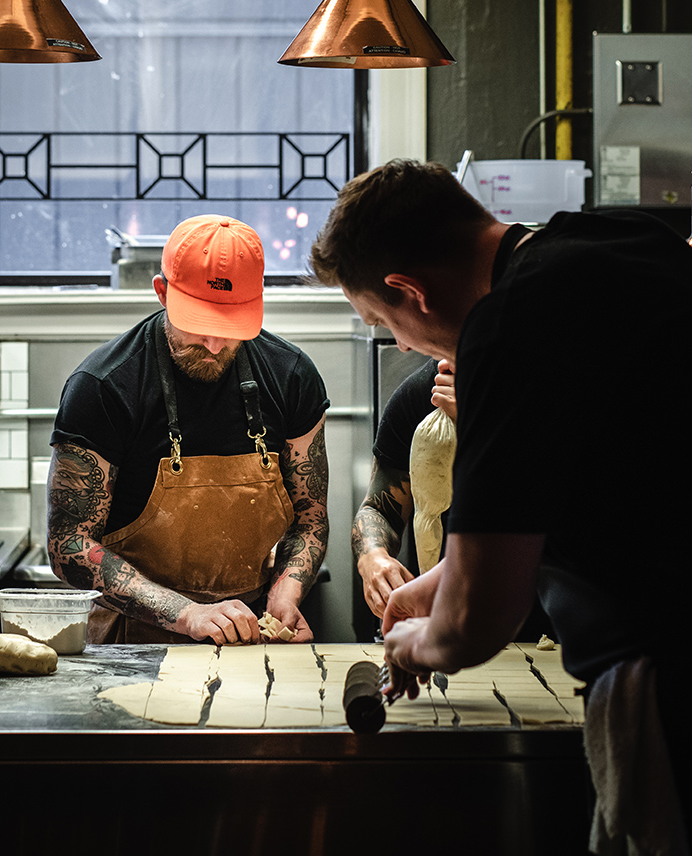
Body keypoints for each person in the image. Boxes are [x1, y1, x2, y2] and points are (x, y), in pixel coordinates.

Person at [311, 158, 691, 850]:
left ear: (409, 291)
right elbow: (602, 492)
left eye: (380, 319)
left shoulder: (505, 330)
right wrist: (441, 582)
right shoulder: (625, 242)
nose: (398, 344)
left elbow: (479, 622)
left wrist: (416, 640)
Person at [48, 215, 330, 645]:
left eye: (231, 325)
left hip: (248, 635)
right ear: (162, 292)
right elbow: (68, 544)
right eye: (200, 322)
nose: (215, 344)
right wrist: (187, 614)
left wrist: (286, 592)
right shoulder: (104, 387)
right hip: (132, 643)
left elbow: (310, 518)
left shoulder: (292, 377)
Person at [354, 358, 453, 618]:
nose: (403, 348)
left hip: (551, 618)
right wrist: (372, 555)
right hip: (443, 615)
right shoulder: (420, 395)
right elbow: (379, 509)